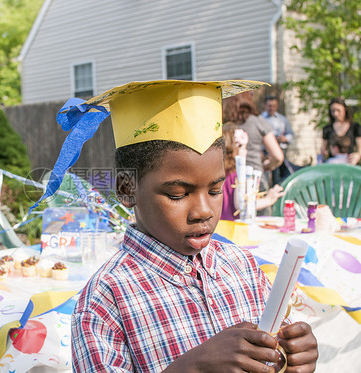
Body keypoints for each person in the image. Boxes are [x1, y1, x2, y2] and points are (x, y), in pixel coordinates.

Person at [36, 80, 318, 372]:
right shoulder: (104, 302)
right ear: (126, 189)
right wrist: (190, 368)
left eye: (215, 190)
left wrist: (291, 356)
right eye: (177, 194)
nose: (203, 212)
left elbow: (273, 353)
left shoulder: (243, 268)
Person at [221, 123, 285, 221]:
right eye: (244, 147)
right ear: (237, 147)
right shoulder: (239, 174)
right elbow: (241, 204)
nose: (246, 152)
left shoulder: (219, 172)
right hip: (233, 228)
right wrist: (268, 199)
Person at [261, 96, 295, 184]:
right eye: (269, 106)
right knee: (265, 178)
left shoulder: (283, 120)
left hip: (281, 152)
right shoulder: (260, 119)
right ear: (265, 105)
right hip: (265, 153)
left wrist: (285, 139)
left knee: (279, 178)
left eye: (274, 106)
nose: (271, 108)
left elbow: (291, 135)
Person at [320, 97, 361, 165]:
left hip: (350, 165)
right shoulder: (327, 129)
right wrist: (323, 153)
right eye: (333, 111)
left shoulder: (355, 127)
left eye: (338, 110)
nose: (335, 114)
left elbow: (360, 148)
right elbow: (323, 149)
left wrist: (358, 155)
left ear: (345, 110)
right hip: (333, 166)